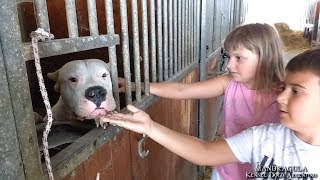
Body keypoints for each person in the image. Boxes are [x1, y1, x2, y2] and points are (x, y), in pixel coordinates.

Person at [102, 48, 320, 179]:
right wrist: (150, 127)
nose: (281, 98)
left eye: (297, 91)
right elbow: (205, 151)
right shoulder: (265, 137)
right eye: (284, 89)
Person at [118, 23, 285, 179]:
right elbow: (182, 90)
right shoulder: (229, 83)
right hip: (224, 170)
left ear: (265, 58)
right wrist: (134, 85)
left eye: (239, 58)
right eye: (228, 57)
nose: (229, 65)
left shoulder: (285, 97)